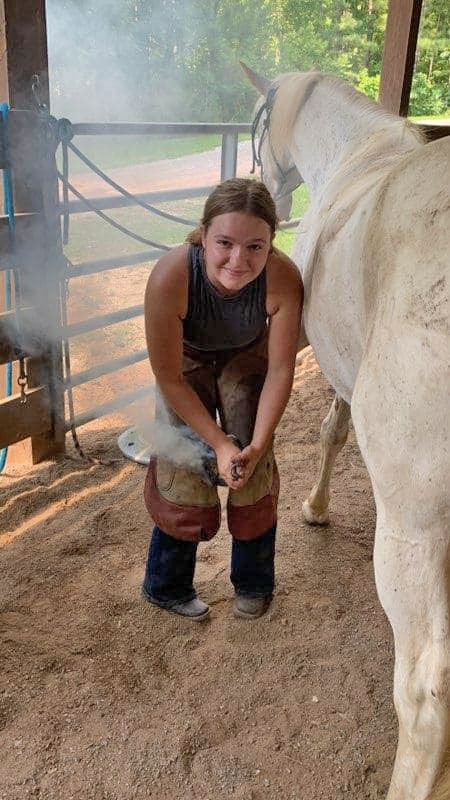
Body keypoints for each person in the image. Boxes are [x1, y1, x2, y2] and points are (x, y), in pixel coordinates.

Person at [142, 177, 303, 621]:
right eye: (225, 243)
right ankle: (167, 584)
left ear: (272, 244)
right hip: (185, 362)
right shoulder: (172, 275)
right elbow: (168, 376)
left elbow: (281, 369)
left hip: (245, 357)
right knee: (183, 462)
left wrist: (254, 444)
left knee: (252, 468)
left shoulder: (282, 277)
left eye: (256, 246)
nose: (238, 259)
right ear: (203, 234)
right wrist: (216, 442)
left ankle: (253, 583)